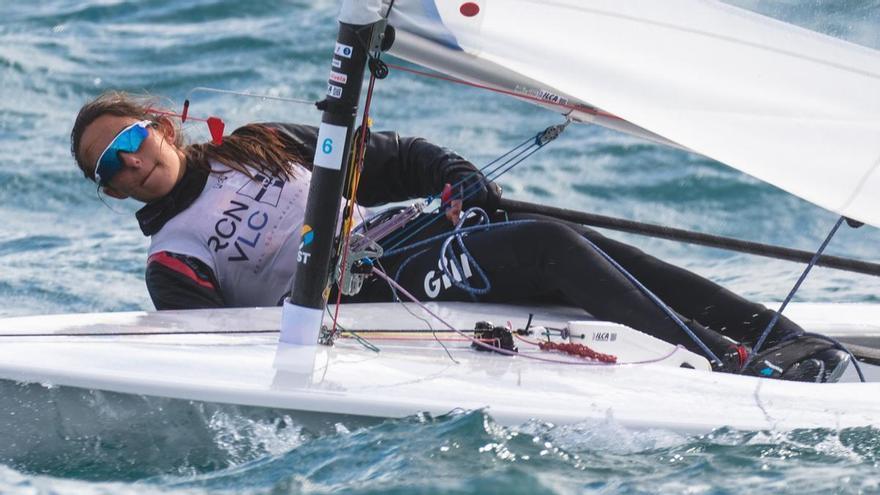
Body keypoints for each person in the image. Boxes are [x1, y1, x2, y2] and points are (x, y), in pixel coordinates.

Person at [71, 91, 851, 382]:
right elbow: (214, 351)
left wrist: (461, 176)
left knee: (581, 246)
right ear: (109, 191)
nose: (127, 165)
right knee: (546, 248)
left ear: (160, 126)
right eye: (106, 169)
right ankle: (733, 366)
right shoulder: (174, 256)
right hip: (370, 289)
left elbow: (393, 158)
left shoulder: (258, 142)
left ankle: (795, 341)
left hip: (412, 234)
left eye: (128, 141)